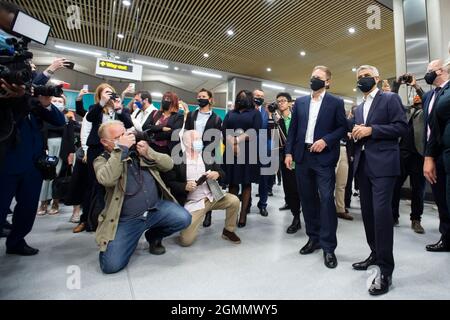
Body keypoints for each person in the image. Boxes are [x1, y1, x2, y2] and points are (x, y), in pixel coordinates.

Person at [93, 121, 191, 274]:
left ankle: (153, 235)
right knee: (111, 266)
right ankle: (129, 238)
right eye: (118, 137)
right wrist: (121, 149)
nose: (125, 139)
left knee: (183, 218)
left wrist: (149, 153)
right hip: (127, 220)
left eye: (125, 134)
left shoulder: (139, 153)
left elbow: (169, 164)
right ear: (105, 142)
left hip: (155, 209)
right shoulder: (102, 160)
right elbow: (107, 179)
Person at [351, 65, 408, 296]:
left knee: (382, 215)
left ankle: (386, 269)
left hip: (384, 165)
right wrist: (354, 133)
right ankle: (374, 253)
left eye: (366, 76)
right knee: (367, 214)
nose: (362, 80)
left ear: (376, 78)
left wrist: (371, 130)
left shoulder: (390, 98)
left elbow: (401, 127)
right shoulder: (359, 107)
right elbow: (360, 133)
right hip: (363, 165)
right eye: (359, 77)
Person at [285, 66, 347, 269]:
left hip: (324, 157)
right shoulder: (301, 102)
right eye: (312, 77)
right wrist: (288, 153)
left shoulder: (336, 102)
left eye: (318, 78)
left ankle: (329, 247)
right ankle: (314, 238)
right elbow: (293, 129)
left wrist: (326, 140)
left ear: (328, 81)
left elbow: (342, 128)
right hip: (302, 157)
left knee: (327, 199)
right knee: (307, 199)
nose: (314, 80)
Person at [0, 88, 65, 255]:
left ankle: (16, 241)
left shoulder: (34, 106)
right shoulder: (7, 101)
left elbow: (59, 121)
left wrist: (46, 103)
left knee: (27, 208)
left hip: (33, 166)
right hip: (6, 164)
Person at [163, 130, 241, 246]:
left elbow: (222, 173)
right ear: (187, 142)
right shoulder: (176, 160)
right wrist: (184, 186)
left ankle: (228, 230)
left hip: (213, 197)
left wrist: (217, 174)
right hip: (194, 201)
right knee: (186, 241)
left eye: (200, 139)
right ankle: (188, 223)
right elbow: (170, 182)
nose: (200, 142)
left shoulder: (207, 156)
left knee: (234, 200)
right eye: (196, 139)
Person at [73, 84, 133, 233]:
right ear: (100, 95)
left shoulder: (119, 110)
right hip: (96, 150)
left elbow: (129, 125)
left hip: (116, 150)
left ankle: (111, 218)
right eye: (106, 93)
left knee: (114, 183)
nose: (110, 95)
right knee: (93, 185)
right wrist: (86, 150)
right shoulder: (95, 109)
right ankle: (86, 219)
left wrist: (119, 108)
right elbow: (86, 128)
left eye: (112, 92)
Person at [391, 73, 426, 233]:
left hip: (419, 156)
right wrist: (397, 84)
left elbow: (426, 98)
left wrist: (415, 85)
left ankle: (416, 219)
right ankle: (393, 216)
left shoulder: (428, 110)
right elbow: (392, 99)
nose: (416, 99)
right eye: (415, 97)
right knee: (395, 186)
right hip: (401, 154)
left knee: (418, 189)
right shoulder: (406, 110)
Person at [37, 95, 81, 220]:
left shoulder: (68, 117)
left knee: (59, 175)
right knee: (46, 176)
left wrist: (71, 152)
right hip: (47, 147)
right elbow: (42, 131)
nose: (57, 102)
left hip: (63, 148)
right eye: (55, 100)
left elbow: (71, 135)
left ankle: (55, 202)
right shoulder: (44, 114)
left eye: (60, 101)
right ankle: (43, 202)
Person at [222, 90, 262, 228]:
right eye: (239, 97)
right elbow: (224, 130)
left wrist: (237, 140)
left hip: (248, 151)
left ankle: (243, 214)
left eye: (244, 97)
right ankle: (233, 214)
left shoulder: (255, 113)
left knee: (246, 183)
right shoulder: (231, 113)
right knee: (232, 184)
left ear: (250, 99)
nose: (241, 99)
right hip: (230, 151)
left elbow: (255, 131)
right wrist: (232, 144)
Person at [184, 88, 223, 228]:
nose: (200, 98)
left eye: (204, 96)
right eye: (199, 96)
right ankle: (192, 206)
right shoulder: (191, 115)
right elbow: (186, 132)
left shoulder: (216, 118)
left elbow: (216, 138)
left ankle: (209, 213)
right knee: (194, 178)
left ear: (210, 99)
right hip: (192, 150)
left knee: (210, 180)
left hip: (208, 151)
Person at [423, 59, 450, 252]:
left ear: (441, 71)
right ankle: (446, 236)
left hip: (444, 150)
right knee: (441, 197)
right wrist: (428, 155)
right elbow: (429, 128)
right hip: (434, 153)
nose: (427, 74)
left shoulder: (446, 93)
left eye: (430, 70)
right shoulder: (429, 96)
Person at [271, 92, 302, 234]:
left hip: (300, 158)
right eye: (278, 101)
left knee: (303, 188)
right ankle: (296, 218)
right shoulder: (277, 121)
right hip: (285, 158)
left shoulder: (298, 118)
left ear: (290, 103)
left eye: (283, 101)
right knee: (290, 188)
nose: (280, 103)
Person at [254, 89, 271, 217]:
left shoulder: (266, 112)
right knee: (246, 180)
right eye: (257, 95)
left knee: (264, 180)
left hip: (263, 151)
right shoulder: (246, 111)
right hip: (247, 151)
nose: (259, 97)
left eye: (261, 96)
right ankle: (246, 204)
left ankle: (263, 205)